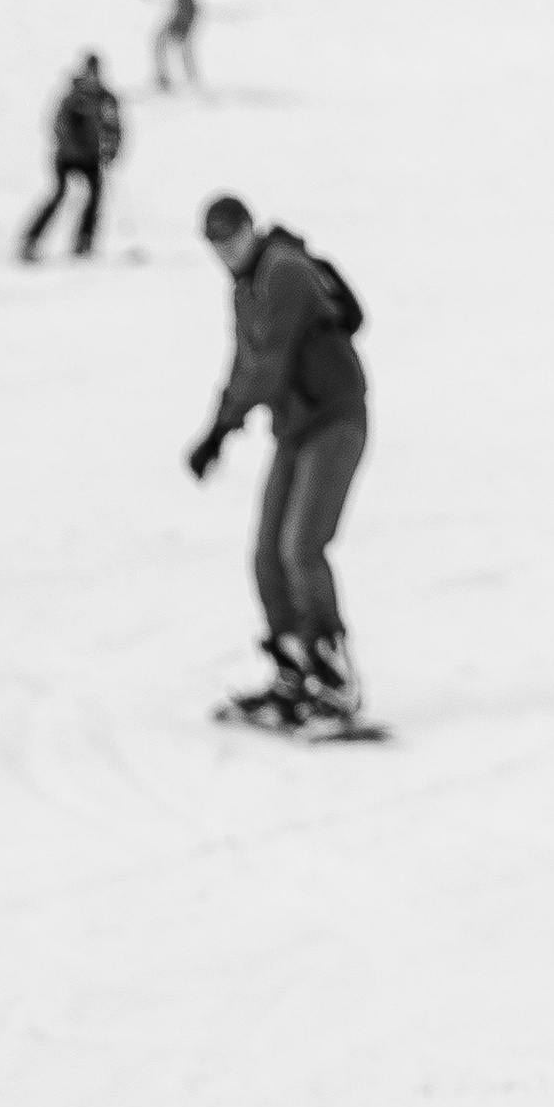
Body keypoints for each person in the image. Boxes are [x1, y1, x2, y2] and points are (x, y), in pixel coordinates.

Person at [186, 195, 370, 726]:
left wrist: (224, 427)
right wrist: (215, 428)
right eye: (215, 243)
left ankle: (334, 677)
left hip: (335, 419)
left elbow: (270, 364)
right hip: (295, 427)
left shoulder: (284, 272)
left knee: (300, 546)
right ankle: (293, 671)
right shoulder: (245, 287)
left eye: (232, 237)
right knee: (266, 553)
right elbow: (244, 362)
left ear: (250, 228)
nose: (225, 250)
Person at [20, 51, 123, 260]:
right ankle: (32, 239)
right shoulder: (73, 97)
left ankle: (84, 241)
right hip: (68, 156)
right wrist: (77, 145)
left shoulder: (105, 98)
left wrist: (111, 150)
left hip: (92, 158)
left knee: (94, 197)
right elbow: (58, 126)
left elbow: (114, 127)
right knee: (59, 194)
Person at [150, 0, 200, 93]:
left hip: (183, 14)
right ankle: (190, 80)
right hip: (185, 13)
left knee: (161, 41)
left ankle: (165, 80)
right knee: (181, 46)